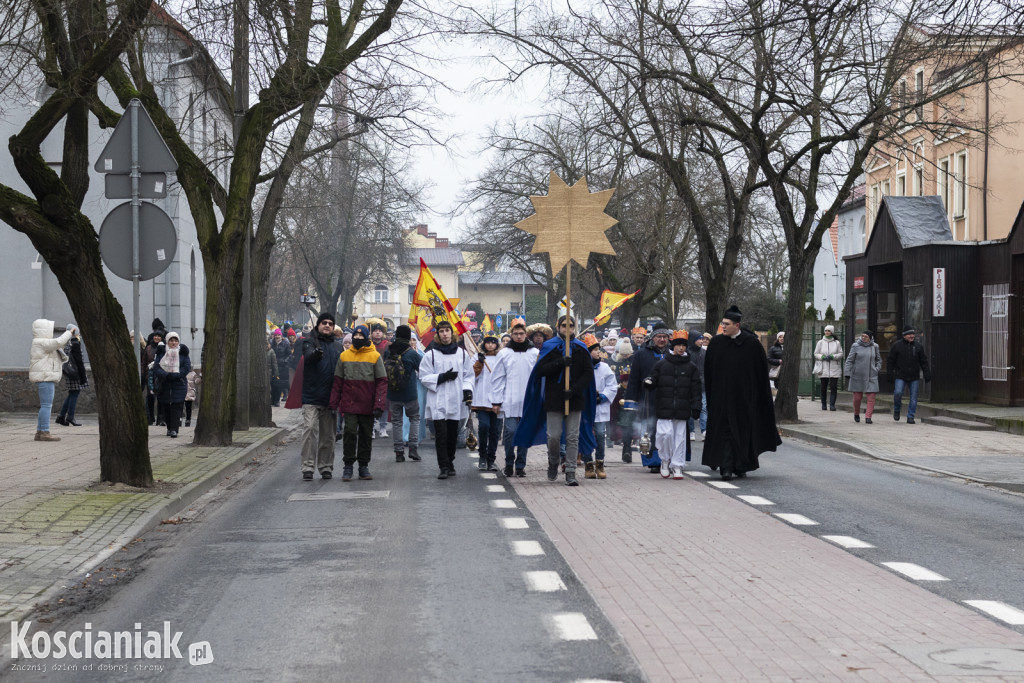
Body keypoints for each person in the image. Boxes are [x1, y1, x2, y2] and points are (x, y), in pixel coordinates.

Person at [514, 316, 596, 487]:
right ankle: (553, 461)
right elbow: (540, 371)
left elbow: (588, 373)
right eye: (564, 325)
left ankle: (571, 471)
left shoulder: (581, 348)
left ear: (575, 327)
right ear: (558, 327)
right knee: (553, 436)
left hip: (574, 398)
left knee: (573, 437)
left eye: (571, 326)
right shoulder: (550, 347)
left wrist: (573, 389)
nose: (568, 329)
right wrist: (560, 362)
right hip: (554, 398)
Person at [703, 305, 781, 480]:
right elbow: (709, 372)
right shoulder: (716, 343)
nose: (723, 326)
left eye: (727, 324)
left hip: (743, 399)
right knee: (725, 432)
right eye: (722, 323)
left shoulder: (751, 344)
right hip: (721, 398)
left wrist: (758, 398)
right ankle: (726, 466)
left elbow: (760, 374)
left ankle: (741, 464)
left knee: (742, 432)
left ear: (736, 325)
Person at [329, 325, 388, 481]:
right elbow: (338, 382)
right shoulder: (344, 356)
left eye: (362, 337)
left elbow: (382, 382)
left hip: (368, 404)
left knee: (366, 435)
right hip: (349, 403)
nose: (358, 339)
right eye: (356, 336)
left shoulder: (375, 356)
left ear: (367, 338)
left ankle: (363, 465)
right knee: (349, 433)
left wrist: (379, 404)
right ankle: (348, 465)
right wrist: (333, 404)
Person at [420, 320, 475, 479]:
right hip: (438, 399)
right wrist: (442, 377)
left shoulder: (462, 353)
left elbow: (468, 375)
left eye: (447, 330)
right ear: (437, 334)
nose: (445, 334)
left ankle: (450, 461)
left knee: (452, 435)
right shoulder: (430, 355)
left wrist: (467, 390)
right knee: (441, 435)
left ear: (452, 333)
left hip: (456, 399)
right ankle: (443, 466)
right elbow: (423, 376)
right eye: (441, 331)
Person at [644, 331, 702, 479]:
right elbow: (654, 379)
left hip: (682, 408)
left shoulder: (691, 367)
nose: (681, 348)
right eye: (678, 345)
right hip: (664, 406)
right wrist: (649, 382)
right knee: (664, 434)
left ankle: (677, 465)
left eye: (683, 345)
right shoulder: (662, 364)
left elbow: (696, 389)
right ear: (673, 346)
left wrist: (696, 405)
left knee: (679, 438)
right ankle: (664, 460)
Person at [298, 312, 345, 480]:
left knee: (328, 435)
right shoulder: (309, 342)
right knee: (309, 430)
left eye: (330, 323)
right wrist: (315, 354)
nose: (327, 325)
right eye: (324, 322)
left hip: (330, 397)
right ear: (318, 325)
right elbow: (308, 356)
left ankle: (325, 466)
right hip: (311, 396)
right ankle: (307, 467)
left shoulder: (338, 346)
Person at [490, 317, 538, 477]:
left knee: (524, 433)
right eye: (516, 333)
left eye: (521, 333)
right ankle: (509, 462)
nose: (518, 336)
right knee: (510, 432)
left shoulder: (534, 353)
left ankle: (520, 465)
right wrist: (496, 401)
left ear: (526, 335)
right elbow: (497, 378)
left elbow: (538, 377)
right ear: (511, 335)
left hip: (528, 401)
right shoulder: (504, 354)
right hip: (509, 400)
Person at [624, 326, 671, 473]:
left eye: (665, 336)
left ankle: (668, 459)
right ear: (652, 338)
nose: (662, 339)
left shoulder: (673, 353)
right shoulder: (641, 354)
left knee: (668, 432)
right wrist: (631, 401)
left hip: (669, 399)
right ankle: (653, 461)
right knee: (649, 430)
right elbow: (634, 379)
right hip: (648, 399)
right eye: (659, 336)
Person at [30, 320, 76, 441]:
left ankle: (40, 432)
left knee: (45, 405)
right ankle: (44, 432)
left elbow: (59, 346)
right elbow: (58, 342)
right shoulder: (41, 342)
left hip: (45, 376)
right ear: (43, 329)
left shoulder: (41, 343)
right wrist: (69, 332)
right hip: (45, 377)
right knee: (46, 405)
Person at [580, 334, 619, 479]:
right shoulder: (581, 367)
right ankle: (588, 464)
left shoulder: (605, 367)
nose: (598, 352)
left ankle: (600, 463)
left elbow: (612, 386)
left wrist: (602, 396)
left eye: (598, 349)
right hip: (585, 408)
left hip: (600, 407)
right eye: (594, 350)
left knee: (601, 435)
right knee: (586, 435)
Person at [384, 325, 422, 463]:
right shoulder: (412, 353)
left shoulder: (389, 351)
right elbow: (422, 369)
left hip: (393, 394)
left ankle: (399, 452)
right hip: (410, 393)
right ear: (407, 337)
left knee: (397, 422)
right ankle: (413, 448)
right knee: (414, 419)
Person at [471, 332, 503, 471]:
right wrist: (479, 362)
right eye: (488, 342)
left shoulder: (501, 357)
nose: (490, 345)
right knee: (484, 427)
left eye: (493, 342)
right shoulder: (477, 357)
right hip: (482, 399)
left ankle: (491, 459)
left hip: (498, 399)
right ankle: (482, 456)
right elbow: (472, 375)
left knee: (495, 431)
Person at [887, 326, 931, 424]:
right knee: (898, 393)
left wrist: (927, 374)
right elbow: (890, 361)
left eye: (913, 334)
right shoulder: (897, 346)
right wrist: (890, 374)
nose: (912, 336)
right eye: (909, 334)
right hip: (900, 375)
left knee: (914, 397)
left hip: (914, 375)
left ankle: (910, 416)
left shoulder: (918, 346)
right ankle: (897, 409)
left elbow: (923, 361)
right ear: (904, 335)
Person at [153, 332, 192, 438]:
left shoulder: (183, 353)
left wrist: (177, 375)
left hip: (179, 383)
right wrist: (166, 375)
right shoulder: (161, 352)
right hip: (165, 383)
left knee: (177, 406)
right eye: (171, 340)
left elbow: (187, 366)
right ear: (167, 341)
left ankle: (175, 429)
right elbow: (156, 368)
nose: (173, 343)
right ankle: (169, 428)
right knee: (166, 406)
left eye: (175, 341)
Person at [844, 330, 881, 423]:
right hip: (858, 375)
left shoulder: (875, 346)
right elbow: (849, 360)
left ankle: (868, 417)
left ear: (870, 338)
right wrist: (847, 373)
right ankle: (856, 413)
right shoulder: (855, 346)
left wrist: (876, 369)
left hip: (871, 375)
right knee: (857, 398)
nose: (863, 338)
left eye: (866, 336)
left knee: (871, 397)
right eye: (862, 336)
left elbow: (879, 360)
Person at [56, 326, 88, 427]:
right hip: (75, 373)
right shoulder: (75, 343)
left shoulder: (67, 343)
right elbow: (79, 362)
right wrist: (83, 377)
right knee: (74, 393)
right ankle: (70, 417)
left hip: (69, 372)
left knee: (72, 393)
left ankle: (61, 416)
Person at [612, 338, 634, 458]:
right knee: (624, 423)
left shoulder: (635, 361)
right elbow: (615, 377)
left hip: (633, 395)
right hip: (621, 395)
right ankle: (625, 447)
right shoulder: (619, 362)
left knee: (632, 423)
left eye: (627, 353)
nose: (625, 355)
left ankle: (629, 447)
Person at [813, 325, 844, 411]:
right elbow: (816, 353)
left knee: (833, 386)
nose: (827, 332)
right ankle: (823, 404)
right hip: (824, 368)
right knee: (824, 386)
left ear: (832, 332)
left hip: (834, 367)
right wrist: (822, 357)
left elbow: (841, 354)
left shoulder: (836, 343)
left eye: (829, 331)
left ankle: (832, 405)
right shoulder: (820, 342)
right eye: (826, 330)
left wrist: (832, 356)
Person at [141, 327, 165, 426]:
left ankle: (161, 418)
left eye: (159, 336)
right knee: (150, 397)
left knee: (161, 397)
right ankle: (150, 417)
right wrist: (143, 373)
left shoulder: (164, 347)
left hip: (161, 376)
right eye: (155, 336)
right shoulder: (148, 348)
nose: (157, 337)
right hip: (149, 376)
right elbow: (144, 362)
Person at [687, 332, 708, 441]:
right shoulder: (687, 352)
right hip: (690, 385)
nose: (701, 341)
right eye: (699, 339)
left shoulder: (704, 353)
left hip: (703, 384)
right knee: (691, 408)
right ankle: (691, 431)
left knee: (703, 407)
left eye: (702, 339)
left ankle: (704, 430)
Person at [270, 329, 291, 407]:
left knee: (279, 384)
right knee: (273, 383)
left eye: (278, 335)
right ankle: (273, 399)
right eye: (276, 335)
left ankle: (277, 400)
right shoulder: (272, 344)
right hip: (274, 366)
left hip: (282, 367)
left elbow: (289, 355)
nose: (277, 336)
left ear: (281, 336)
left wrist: (284, 361)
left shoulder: (286, 344)